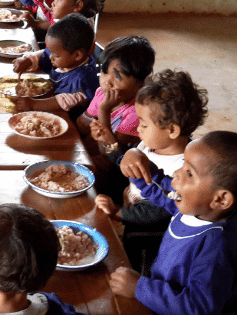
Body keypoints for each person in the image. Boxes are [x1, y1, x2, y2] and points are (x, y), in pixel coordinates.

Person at [108, 131, 237, 314]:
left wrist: (140, 288)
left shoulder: (216, 248)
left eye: (189, 173)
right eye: (183, 164)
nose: (176, 173)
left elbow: (198, 307)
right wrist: (137, 162)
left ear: (221, 199)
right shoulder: (199, 206)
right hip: (159, 289)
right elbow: (161, 188)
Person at [95, 69, 208, 271]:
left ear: (172, 130)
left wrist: (118, 212)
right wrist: (112, 144)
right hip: (128, 215)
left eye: (144, 124)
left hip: (148, 237)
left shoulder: (183, 169)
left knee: (132, 268)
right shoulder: (152, 144)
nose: (138, 129)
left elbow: (159, 211)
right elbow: (129, 164)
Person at [76, 35, 155, 196]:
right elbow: (80, 126)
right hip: (86, 155)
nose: (107, 82)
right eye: (104, 72)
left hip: (111, 175)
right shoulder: (101, 93)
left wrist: (104, 111)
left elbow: (108, 157)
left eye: (118, 77)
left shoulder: (137, 113)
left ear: (140, 84)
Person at [12, 13, 100, 120]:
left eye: (56, 55)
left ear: (77, 55)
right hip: (52, 102)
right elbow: (46, 54)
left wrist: (33, 104)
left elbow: (65, 100)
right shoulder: (67, 58)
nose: (51, 57)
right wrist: (28, 60)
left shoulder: (84, 76)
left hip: (71, 122)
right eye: (51, 52)